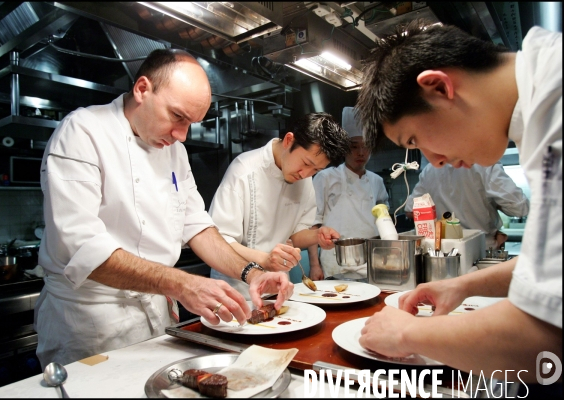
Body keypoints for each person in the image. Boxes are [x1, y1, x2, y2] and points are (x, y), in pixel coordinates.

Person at [34, 49, 294, 369]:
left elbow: (198, 227)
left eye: (192, 124)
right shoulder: (82, 132)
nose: (181, 135)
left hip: (155, 322)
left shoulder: (175, 153)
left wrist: (253, 273)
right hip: (90, 326)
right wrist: (182, 284)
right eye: (177, 116)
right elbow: (83, 249)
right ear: (142, 89)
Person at [354, 20, 561, 384]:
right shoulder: (541, 93)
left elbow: (543, 342)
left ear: (438, 86)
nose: (433, 161)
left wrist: (406, 334)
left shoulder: (554, 109)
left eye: (415, 139)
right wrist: (464, 285)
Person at [208, 112, 351, 297]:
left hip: (278, 288)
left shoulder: (304, 180)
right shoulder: (244, 170)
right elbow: (220, 241)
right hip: (235, 291)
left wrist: (317, 235)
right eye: (306, 163)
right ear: (289, 141)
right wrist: (265, 259)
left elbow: (294, 235)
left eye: (316, 170)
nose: (305, 174)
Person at [307, 107, 389, 280]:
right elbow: (313, 225)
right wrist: (315, 265)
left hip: (370, 261)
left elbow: (384, 222)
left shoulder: (377, 182)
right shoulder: (325, 177)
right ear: (344, 149)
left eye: (365, 146)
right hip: (336, 263)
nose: (360, 152)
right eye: (354, 146)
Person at [404, 162, 529, 250]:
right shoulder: (484, 163)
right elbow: (520, 208)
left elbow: (411, 210)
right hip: (481, 251)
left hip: (441, 251)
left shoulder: (430, 169)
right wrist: (494, 204)